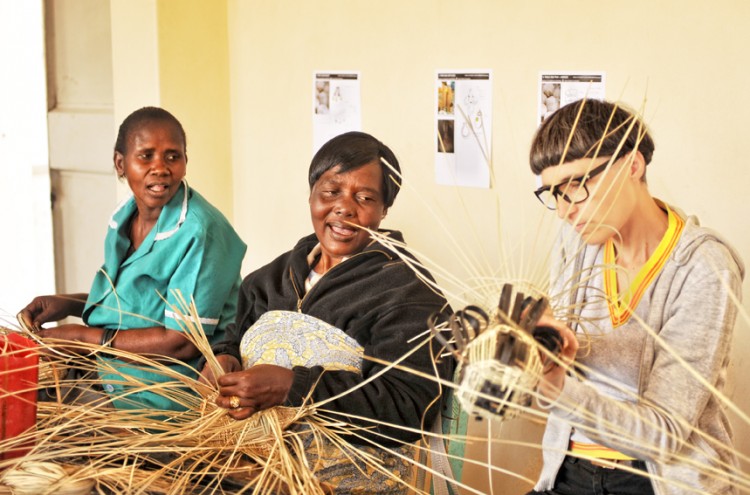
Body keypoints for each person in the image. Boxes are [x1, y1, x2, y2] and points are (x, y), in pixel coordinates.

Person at [201, 131, 452, 493]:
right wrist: (222, 360)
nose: (344, 208)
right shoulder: (270, 278)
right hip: (249, 470)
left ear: (384, 209)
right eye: (331, 192)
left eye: (365, 197)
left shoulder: (409, 292)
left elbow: (411, 405)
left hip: (349, 483)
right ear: (311, 195)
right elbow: (233, 339)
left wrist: (293, 385)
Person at [526, 99, 743, 495]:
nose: (564, 211)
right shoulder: (575, 241)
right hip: (569, 469)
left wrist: (556, 387)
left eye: (577, 184)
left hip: (660, 479)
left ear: (632, 164)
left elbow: (665, 435)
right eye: (553, 193)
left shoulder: (703, 268)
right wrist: (533, 351)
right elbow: (564, 366)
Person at [19, 106, 247, 412]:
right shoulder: (123, 218)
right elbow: (136, 306)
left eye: (172, 156)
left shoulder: (200, 231)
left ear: (185, 162)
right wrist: (69, 304)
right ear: (120, 163)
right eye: (146, 155)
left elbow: (182, 341)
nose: (161, 168)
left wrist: (83, 337)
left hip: (167, 396)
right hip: (115, 376)